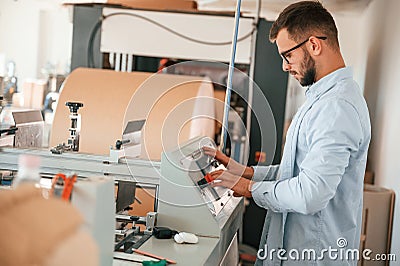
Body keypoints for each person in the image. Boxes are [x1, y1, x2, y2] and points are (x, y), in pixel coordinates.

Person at [204, 1, 371, 265]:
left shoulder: (337, 108)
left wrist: (249, 188)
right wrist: (246, 172)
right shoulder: (321, 99)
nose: (284, 66)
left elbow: (311, 193)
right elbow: (300, 171)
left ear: (314, 45)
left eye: (287, 56)